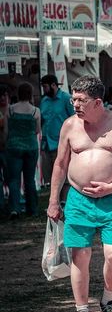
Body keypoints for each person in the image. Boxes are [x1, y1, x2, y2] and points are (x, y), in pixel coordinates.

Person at [47, 75, 112, 312]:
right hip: (78, 199)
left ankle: (108, 301)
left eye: (81, 100)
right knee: (80, 257)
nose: (75, 104)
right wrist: (54, 200)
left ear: (98, 102)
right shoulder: (69, 125)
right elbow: (60, 164)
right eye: (73, 98)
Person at [5, 82, 41, 219]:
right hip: (31, 147)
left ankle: (15, 208)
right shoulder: (35, 111)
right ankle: (32, 209)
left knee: (14, 180)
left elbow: (6, 131)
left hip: (13, 146)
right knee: (29, 179)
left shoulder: (10, 110)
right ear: (30, 94)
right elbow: (37, 130)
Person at [40, 74, 74, 203]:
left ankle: (64, 202)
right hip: (47, 144)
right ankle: (56, 201)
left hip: (62, 143)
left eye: (45, 87)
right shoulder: (44, 101)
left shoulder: (66, 99)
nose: (44, 90)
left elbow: (75, 119)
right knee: (52, 176)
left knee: (63, 174)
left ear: (53, 85)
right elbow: (42, 121)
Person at [0, 85, 10, 215]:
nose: (2, 98)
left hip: (9, 149)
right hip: (2, 148)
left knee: (10, 178)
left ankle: (12, 204)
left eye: (4, 95)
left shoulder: (12, 110)